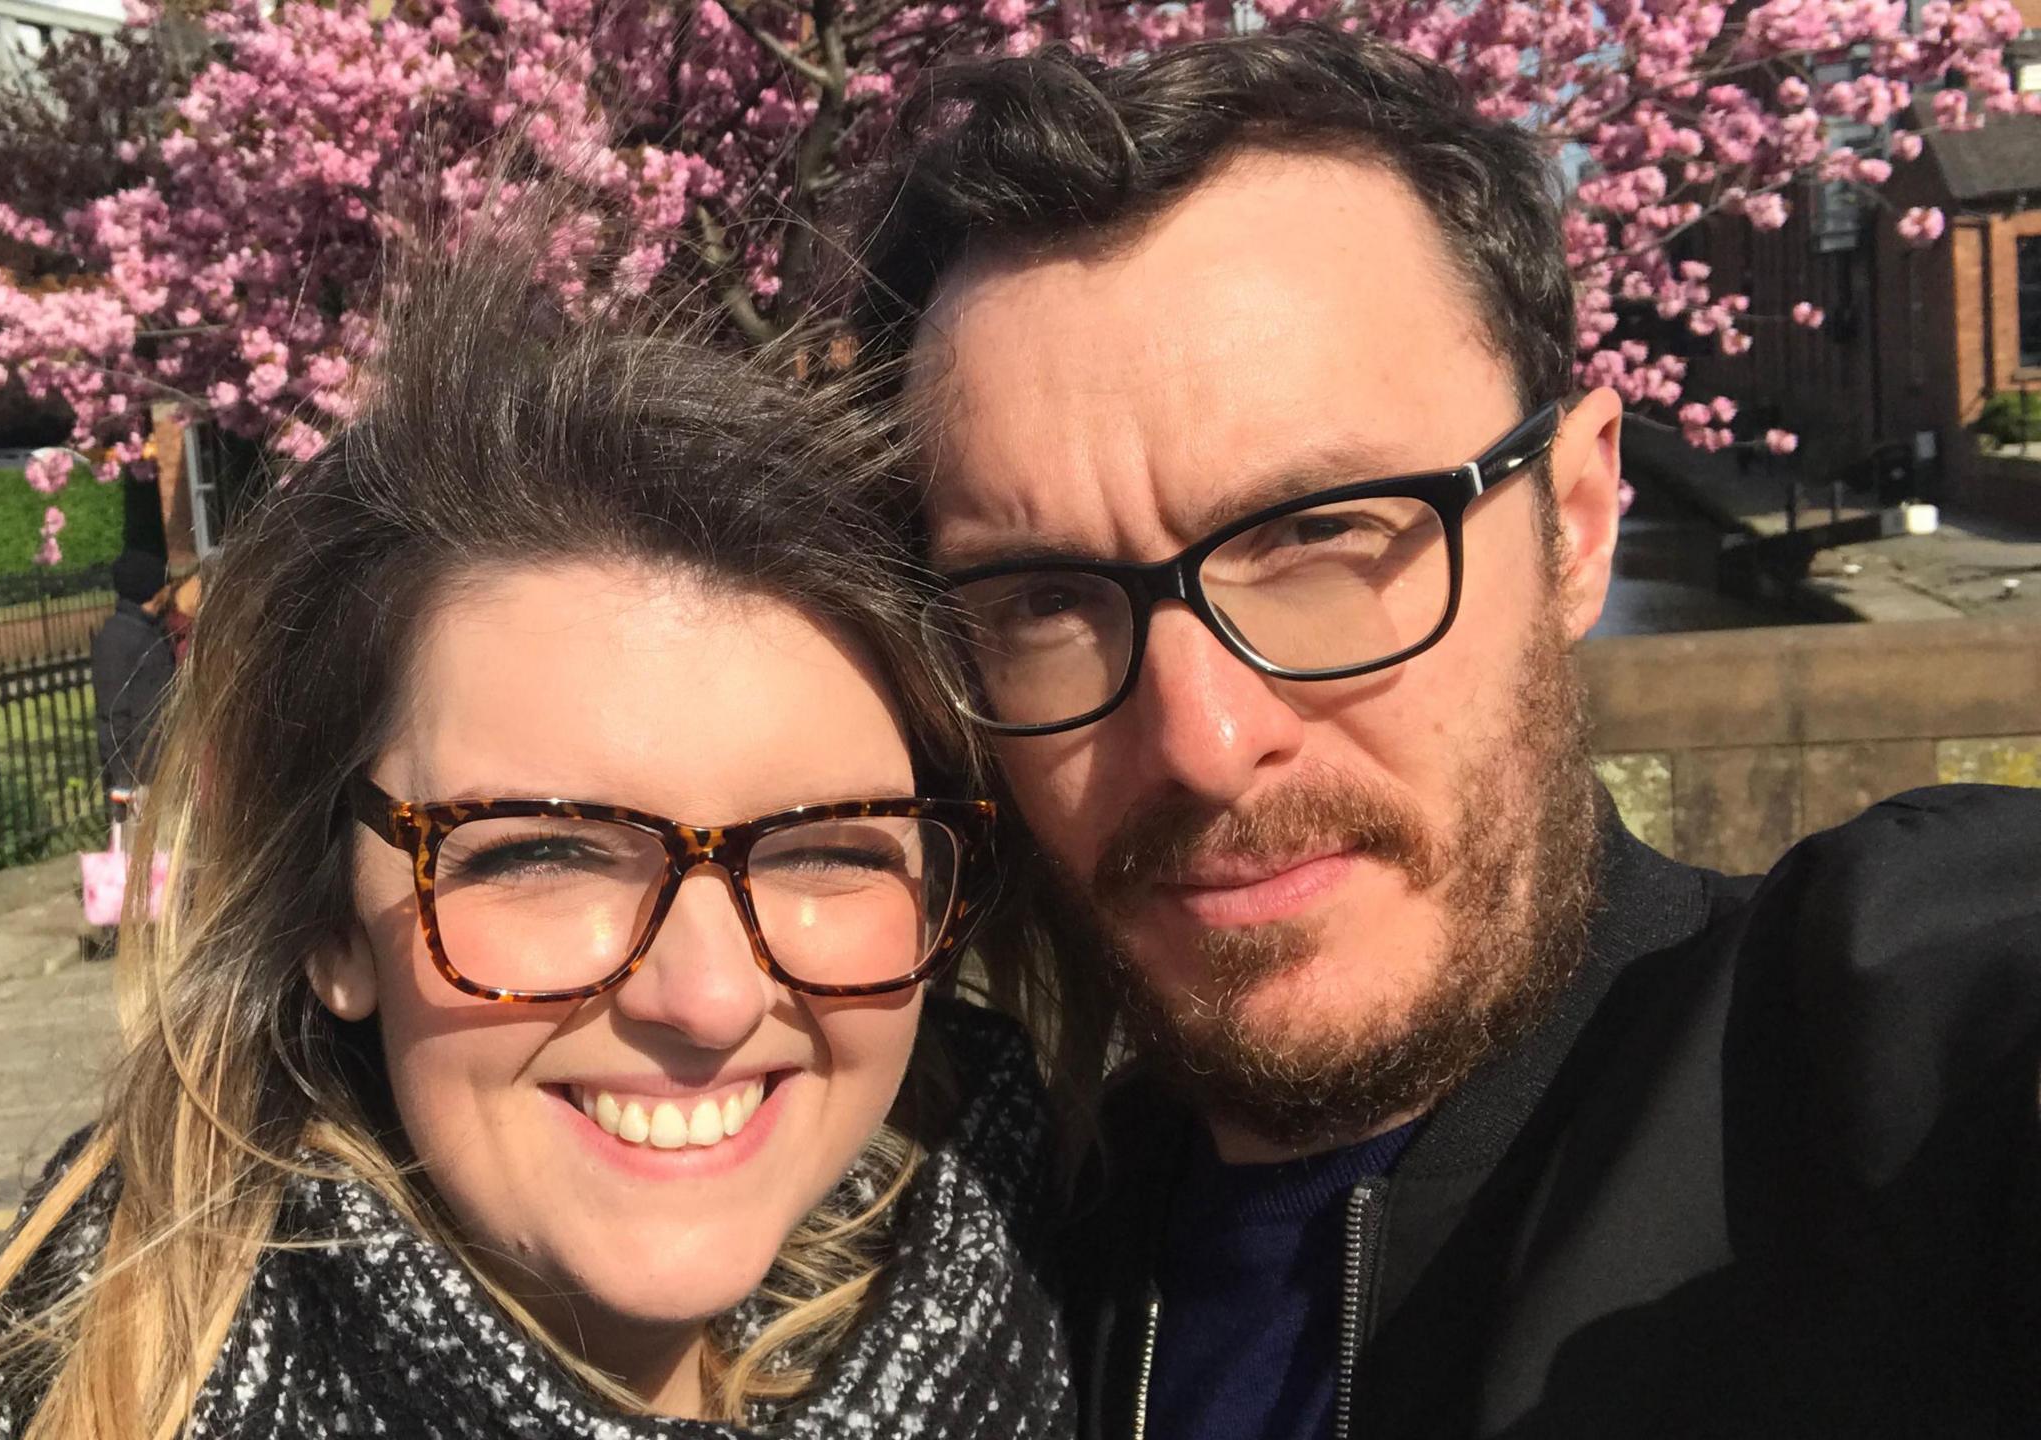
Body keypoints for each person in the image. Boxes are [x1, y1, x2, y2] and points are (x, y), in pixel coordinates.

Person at [849, 26, 2041, 1440]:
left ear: (1580, 519)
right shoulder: (969, 1291)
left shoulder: (1846, 1061)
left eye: (1323, 537)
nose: (1205, 738)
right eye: (1046, 600)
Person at [0, 247, 1073, 1439]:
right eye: (538, 856)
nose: (711, 998)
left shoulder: (1062, 1261)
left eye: (829, 849)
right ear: (327, 923)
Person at [90, 548, 179, 818]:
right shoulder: (130, 641)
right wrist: (128, 782)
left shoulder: (132, 632)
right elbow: (126, 714)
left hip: (143, 768)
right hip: (143, 777)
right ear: (154, 590)